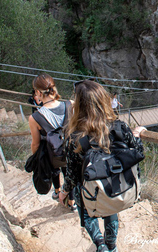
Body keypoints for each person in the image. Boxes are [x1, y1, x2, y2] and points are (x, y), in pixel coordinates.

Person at [59, 79, 146, 252]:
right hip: (114, 185)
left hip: (89, 191)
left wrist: (64, 192)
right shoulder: (120, 127)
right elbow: (138, 151)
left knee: (85, 203)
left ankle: (100, 245)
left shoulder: (74, 138)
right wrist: (137, 134)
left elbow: (73, 174)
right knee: (108, 203)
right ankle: (112, 246)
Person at [28, 74, 76, 211]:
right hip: (71, 150)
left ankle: (57, 191)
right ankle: (72, 202)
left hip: (52, 154)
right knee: (69, 173)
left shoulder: (35, 117)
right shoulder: (70, 105)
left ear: (38, 92)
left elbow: (35, 144)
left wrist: (36, 158)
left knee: (55, 168)